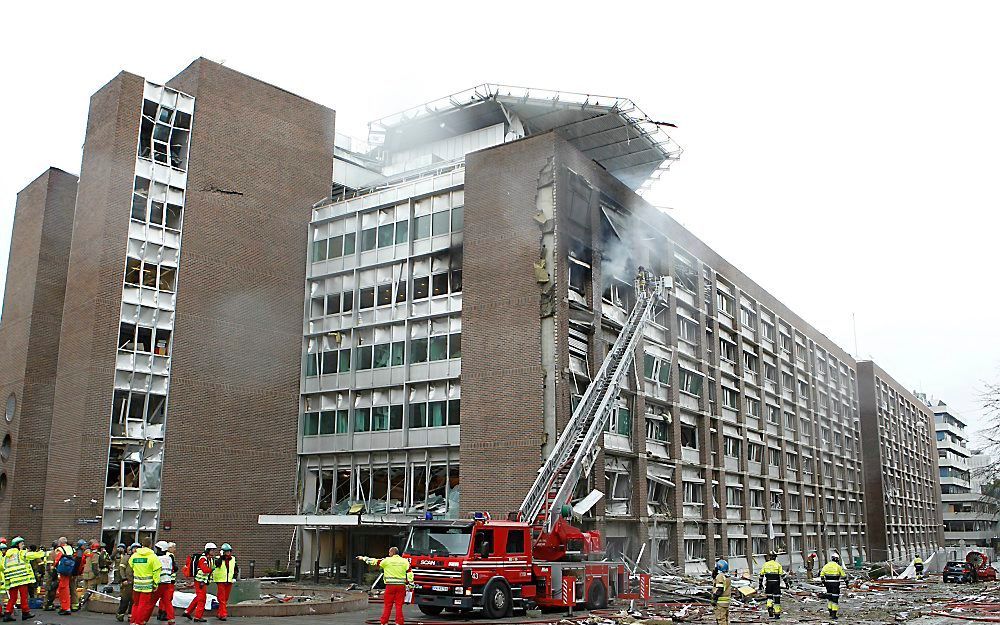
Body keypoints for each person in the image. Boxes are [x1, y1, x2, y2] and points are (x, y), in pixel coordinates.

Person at [357, 547, 413, 625]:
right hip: (401, 586)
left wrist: (363, 558)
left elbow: (374, 561)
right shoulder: (405, 561)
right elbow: (410, 573)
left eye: (389, 553)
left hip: (390, 586)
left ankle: (384, 622)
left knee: (388, 605)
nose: (389, 554)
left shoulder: (386, 561)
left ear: (392, 553)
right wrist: (411, 585)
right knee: (399, 605)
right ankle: (399, 622)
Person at [2, 537, 45, 621]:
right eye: (21, 544)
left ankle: (7, 613)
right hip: (21, 579)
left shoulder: (7, 556)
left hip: (11, 580)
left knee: (13, 598)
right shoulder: (20, 553)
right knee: (24, 596)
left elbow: (3, 566)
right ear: (17, 545)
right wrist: (43, 553)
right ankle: (25, 612)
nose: (23, 546)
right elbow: (33, 555)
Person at [128, 539, 161, 625]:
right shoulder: (153, 557)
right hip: (147, 585)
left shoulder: (135, 556)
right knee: (143, 604)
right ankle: (139, 622)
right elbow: (157, 571)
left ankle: (133, 621)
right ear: (150, 545)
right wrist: (155, 583)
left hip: (137, 583)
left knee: (135, 604)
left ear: (142, 544)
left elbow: (131, 565)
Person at [183, 543, 216, 623]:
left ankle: (187, 612)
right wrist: (212, 569)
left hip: (202, 582)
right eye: (212, 550)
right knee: (202, 600)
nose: (213, 552)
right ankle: (198, 617)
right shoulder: (203, 559)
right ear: (208, 550)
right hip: (200, 582)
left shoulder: (209, 559)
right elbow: (205, 569)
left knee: (198, 598)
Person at [758, 551, 790, 619]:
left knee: (769, 597)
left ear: (769, 557)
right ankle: (777, 614)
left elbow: (761, 576)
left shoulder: (765, 565)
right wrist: (786, 583)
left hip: (768, 583)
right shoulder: (778, 565)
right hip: (776, 583)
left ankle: (769, 607)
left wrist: (760, 584)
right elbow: (783, 575)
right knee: (777, 599)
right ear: (775, 557)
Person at [211, 544, 237, 621]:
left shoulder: (233, 559)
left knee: (225, 598)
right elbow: (217, 565)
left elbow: (236, 569)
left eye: (229, 551)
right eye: (226, 551)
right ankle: (223, 614)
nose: (228, 553)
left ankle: (219, 613)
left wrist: (234, 577)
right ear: (223, 552)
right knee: (222, 598)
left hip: (229, 581)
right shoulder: (217, 559)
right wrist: (221, 557)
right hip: (220, 581)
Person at [820, 552, 848, 620]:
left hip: (828, 585)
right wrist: (847, 582)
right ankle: (834, 615)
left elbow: (822, 574)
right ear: (837, 559)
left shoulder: (826, 565)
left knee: (830, 598)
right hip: (835, 585)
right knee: (835, 599)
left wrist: (824, 582)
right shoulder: (838, 566)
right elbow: (844, 575)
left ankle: (830, 612)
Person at [154, 543, 176, 625]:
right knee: (167, 601)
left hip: (159, 582)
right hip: (168, 582)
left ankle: (143, 619)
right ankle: (171, 618)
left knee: (152, 602)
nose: (175, 549)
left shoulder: (156, 557)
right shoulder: (170, 557)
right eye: (173, 547)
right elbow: (174, 568)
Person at [116, 544, 138, 623]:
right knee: (125, 599)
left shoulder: (139, 558)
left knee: (133, 600)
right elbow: (121, 569)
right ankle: (120, 614)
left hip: (135, 582)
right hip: (127, 582)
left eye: (137, 548)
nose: (136, 550)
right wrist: (123, 579)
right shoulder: (127, 558)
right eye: (134, 548)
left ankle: (130, 616)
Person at [711, 558, 731, 625]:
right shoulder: (727, 576)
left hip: (720, 602)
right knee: (725, 619)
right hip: (726, 602)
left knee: (721, 620)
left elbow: (720, 589)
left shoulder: (720, 576)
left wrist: (714, 598)